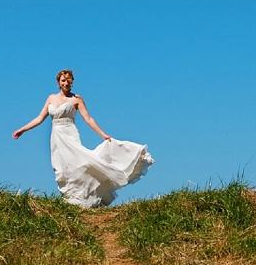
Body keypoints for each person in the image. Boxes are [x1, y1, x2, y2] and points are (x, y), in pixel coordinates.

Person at [12, 69, 155, 208]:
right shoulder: (51, 98)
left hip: (70, 134)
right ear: (58, 82)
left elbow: (88, 119)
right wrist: (22, 129)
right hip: (56, 137)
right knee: (61, 169)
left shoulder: (76, 99)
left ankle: (82, 199)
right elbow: (39, 118)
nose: (66, 83)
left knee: (79, 164)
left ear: (72, 82)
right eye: (63, 80)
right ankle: (71, 197)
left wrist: (103, 134)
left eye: (69, 80)